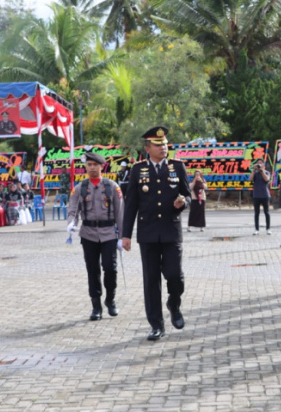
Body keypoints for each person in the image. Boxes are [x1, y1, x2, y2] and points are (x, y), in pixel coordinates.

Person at [122, 126, 191, 341]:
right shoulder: (138, 170)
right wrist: (126, 234)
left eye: (165, 144)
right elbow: (131, 204)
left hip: (171, 231)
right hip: (148, 233)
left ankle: (174, 304)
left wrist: (182, 202)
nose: (163, 148)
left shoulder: (177, 167)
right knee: (151, 281)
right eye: (158, 145)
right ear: (147, 148)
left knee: (175, 275)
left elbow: (188, 196)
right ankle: (156, 325)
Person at [67, 151, 125, 321]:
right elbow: (73, 209)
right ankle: (96, 305)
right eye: (89, 165)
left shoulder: (112, 187)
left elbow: (120, 213)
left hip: (109, 234)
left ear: (101, 167)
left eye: (95, 165)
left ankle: (110, 299)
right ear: (86, 167)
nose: (92, 168)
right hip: (88, 234)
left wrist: (122, 237)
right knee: (92, 270)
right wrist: (71, 223)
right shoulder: (80, 188)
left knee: (110, 268)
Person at [250, 158, 271, 235]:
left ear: (263, 164)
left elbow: (266, 179)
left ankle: (268, 228)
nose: (259, 164)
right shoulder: (255, 173)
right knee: (256, 213)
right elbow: (250, 179)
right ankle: (256, 229)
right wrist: (254, 170)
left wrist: (261, 171)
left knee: (267, 212)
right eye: (258, 163)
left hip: (265, 195)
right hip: (256, 195)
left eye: (261, 163)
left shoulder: (267, 172)